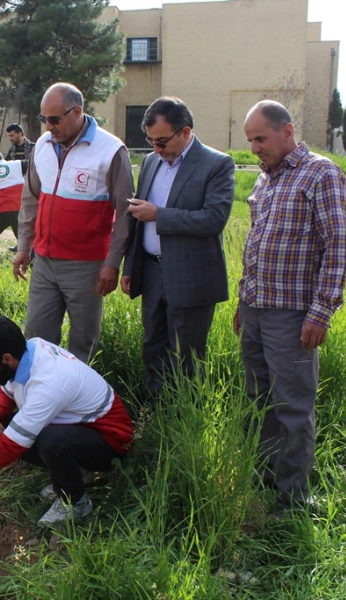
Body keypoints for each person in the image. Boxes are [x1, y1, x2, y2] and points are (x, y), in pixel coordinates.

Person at [233, 100, 346, 518]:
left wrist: (322, 311)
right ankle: (267, 479)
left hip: (293, 315)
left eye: (260, 139)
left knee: (293, 407)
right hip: (257, 309)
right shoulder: (265, 180)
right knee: (259, 399)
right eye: (250, 141)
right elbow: (257, 245)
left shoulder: (320, 173)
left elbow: (336, 246)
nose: (255, 149)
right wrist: (244, 302)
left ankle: (294, 500)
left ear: (287, 131)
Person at [0, 314, 134, 527]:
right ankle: (77, 474)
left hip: (111, 441)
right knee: (0, 429)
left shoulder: (48, 382)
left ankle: (75, 502)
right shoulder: (30, 349)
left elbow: (8, 447)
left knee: (49, 441)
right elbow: (7, 388)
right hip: (78, 428)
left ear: (6, 359)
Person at [121, 97, 235, 397]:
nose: (156, 149)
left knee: (185, 353)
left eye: (162, 141)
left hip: (191, 277)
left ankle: (183, 415)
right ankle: (156, 409)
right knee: (152, 345)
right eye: (150, 141)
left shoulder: (216, 164)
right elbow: (138, 216)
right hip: (151, 271)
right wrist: (130, 267)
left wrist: (159, 215)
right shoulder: (150, 162)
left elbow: (213, 219)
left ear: (185, 132)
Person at [12, 82, 134, 363]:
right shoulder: (42, 146)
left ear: (77, 112)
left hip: (87, 267)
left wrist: (112, 263)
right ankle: (42, 399)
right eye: (44, 119)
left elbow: (125, 213)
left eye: (54, 120)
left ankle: (78, 403)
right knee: (36, 338)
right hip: (43, 262)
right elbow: (31, 198)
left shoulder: (111, 151)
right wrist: (23, 246)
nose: (47, 128)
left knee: (82, 343)